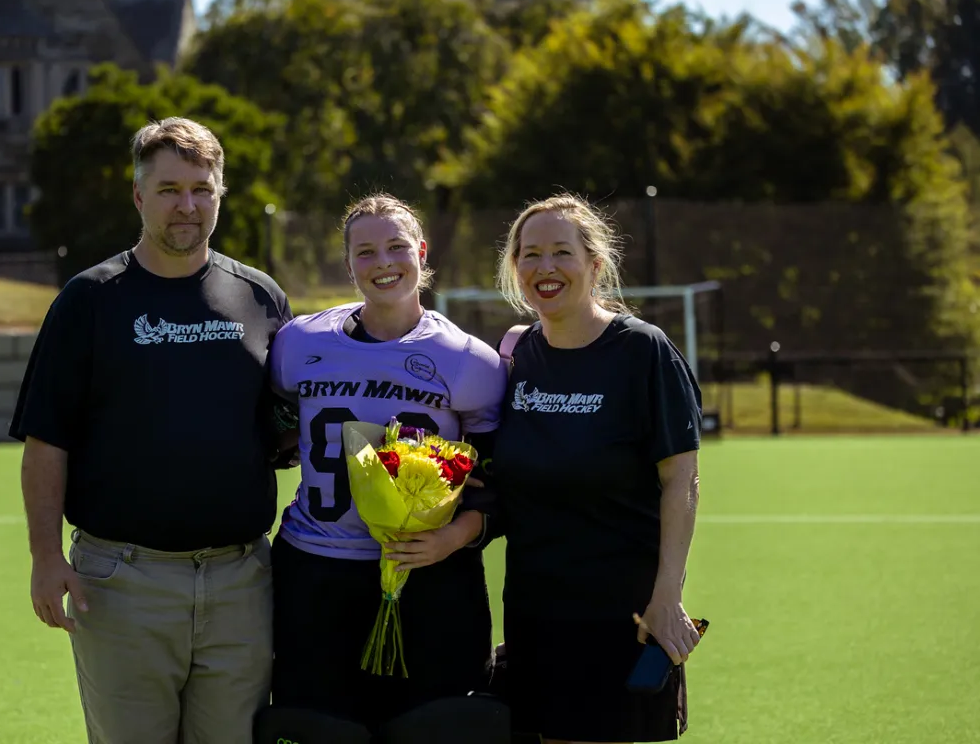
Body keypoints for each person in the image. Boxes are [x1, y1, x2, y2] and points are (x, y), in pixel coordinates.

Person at [9, 117, 295, 744]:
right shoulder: (89, 300)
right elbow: (46, 441)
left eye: (201, 189)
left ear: (220, 194)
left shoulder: (262, 298)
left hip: (240, 581)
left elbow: (282, 426)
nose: (187, 205)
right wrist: (44, 557)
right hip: (122, 581)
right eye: (169, 190)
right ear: (139, 196)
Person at [261, 193, 510, 740]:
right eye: (366, 252)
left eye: (397, 247)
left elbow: (497, 481)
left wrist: (452, 538)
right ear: (348, 263)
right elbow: (275, 425)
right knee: (320, 728)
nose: (383, 263)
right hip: (317, 568)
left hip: (429, 573)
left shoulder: (469, 360)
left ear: (422, 252)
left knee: (433, 727)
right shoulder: (299, 343)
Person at [490, 193, 704, 744]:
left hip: (620, 612)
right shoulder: (515, 356)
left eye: (562, 252)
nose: (546, 267)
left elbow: (681, 480)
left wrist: (667, 597)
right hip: (534, 610)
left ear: (595, 263)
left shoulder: (642, 351)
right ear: (515, 267)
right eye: (531, 254)